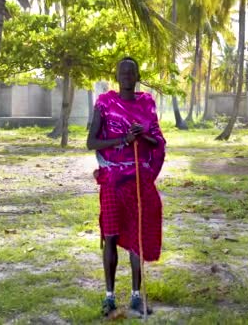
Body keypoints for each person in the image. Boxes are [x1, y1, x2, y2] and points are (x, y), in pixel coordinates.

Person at [86, 57, 166, 317]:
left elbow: (157, 140)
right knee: (110, 235)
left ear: (137, 75)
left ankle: (135, 297)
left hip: (138, 180)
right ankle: (109, 297)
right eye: (123, 72)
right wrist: (124, 138)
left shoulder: (147, 103)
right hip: (112, 179)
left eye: (131, 71)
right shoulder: (105, 103)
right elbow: (92, 142)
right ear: (117, 75)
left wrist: (141, 134)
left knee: (137, 238)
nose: (127, 75)